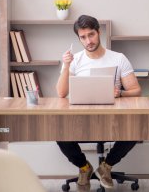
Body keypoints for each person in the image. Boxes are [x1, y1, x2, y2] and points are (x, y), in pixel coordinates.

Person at [56, 15, 141, 191]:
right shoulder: (75, 60)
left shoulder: (118, 58)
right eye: (83, 37)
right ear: (78, 38)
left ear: (99, 32)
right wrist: (65, 66)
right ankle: (85, 168)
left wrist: (120, 93)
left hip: (113, 120)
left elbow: (136, 90)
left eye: (91, 34)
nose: (88, 40)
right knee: (59, 133)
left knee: (136, 130)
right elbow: (61, 93)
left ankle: (106, 167)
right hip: (82, 120)